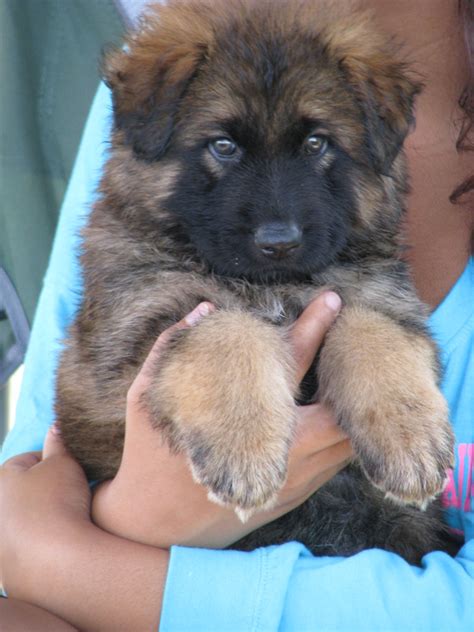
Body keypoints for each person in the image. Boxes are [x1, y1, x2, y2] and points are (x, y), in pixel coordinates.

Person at [1, 0, 473, 629]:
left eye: (316, 146)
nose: (277, 224)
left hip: (377, 557)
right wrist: (135, 517)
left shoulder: (361, 107)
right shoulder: (180, 71)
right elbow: (39, 475)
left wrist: (77, 564)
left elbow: (38, 554)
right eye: (224, 147)